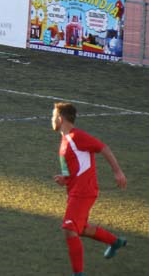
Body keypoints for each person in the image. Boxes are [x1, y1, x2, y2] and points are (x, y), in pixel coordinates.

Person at [51, 102, 128, 275]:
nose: (52, 119)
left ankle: (78, 274)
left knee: (69, 228)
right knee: (81, 228)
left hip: (84, 191)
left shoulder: (76, 136)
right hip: (74, 191)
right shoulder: (64, 141)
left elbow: (103, 147)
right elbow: (76, 167)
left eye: (53, 116)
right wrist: (65, 179)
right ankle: (115, 242)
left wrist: (118, 172)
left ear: (60, 118)